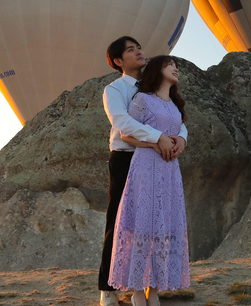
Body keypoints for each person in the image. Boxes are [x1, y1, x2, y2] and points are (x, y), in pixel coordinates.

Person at [99, 37, 187, 306]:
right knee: (121, 222)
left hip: (158, 160)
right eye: (130, 50)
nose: (139, 52)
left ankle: (147, 283)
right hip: (126, 159)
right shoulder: (114, 89)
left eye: (139, 48)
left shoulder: (156, 90)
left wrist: (181, 138)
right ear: (117, 61)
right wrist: (157, 137)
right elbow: (123, 122)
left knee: (155, 222)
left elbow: (175, 116)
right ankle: (108, 287)